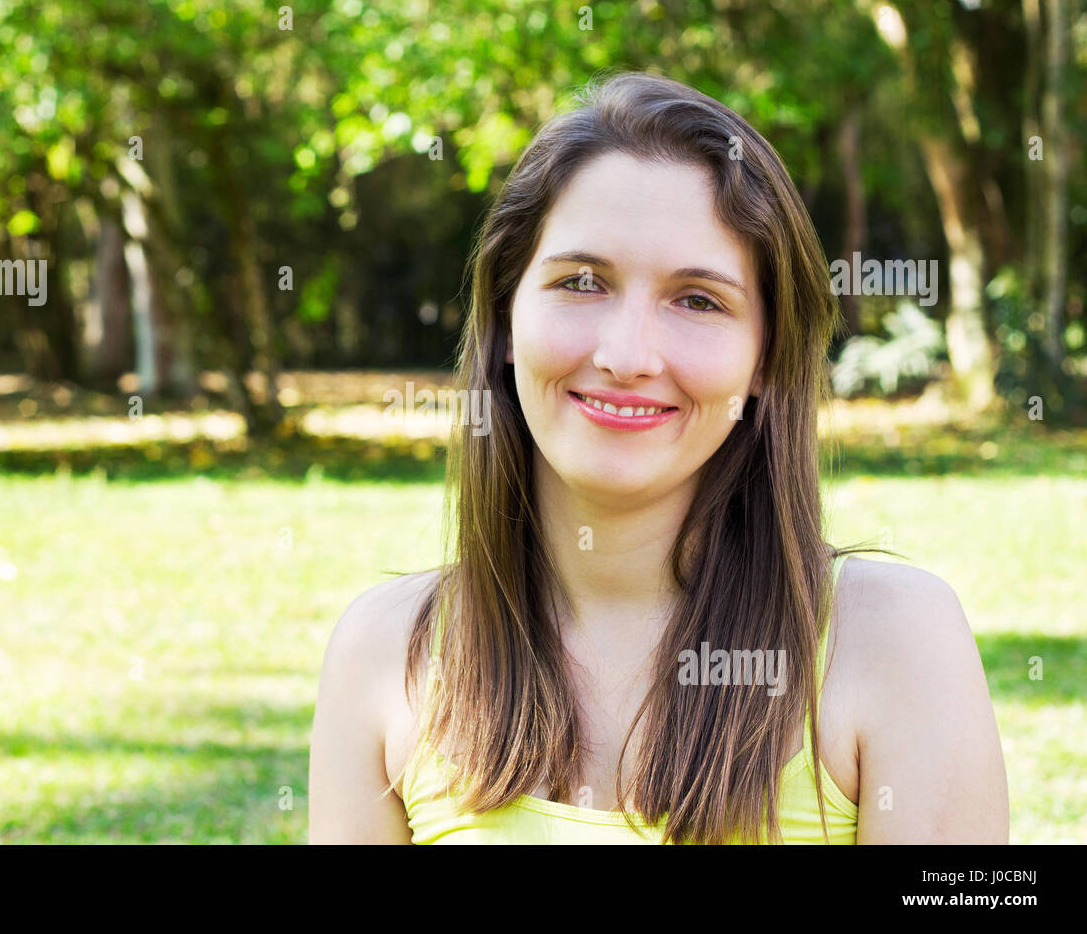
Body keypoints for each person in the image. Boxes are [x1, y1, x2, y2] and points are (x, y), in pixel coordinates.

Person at [308, 70, 1008, 844]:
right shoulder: (385, 655)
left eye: (698, 299)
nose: (627, 355)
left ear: (767, 360)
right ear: (506, 320)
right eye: (581, 281)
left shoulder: (894, 640)